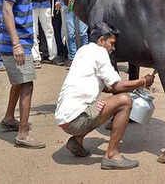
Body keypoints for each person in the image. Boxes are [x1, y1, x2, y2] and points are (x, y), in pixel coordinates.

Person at [55, 22, 155, 170]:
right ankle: (112, 154)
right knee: (124, 101)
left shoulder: (83, 50)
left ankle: (77, 141)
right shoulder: (100, 52)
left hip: (64, 118)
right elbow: (116, 86)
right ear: (101, 41)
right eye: (111, 43)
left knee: (101, 104)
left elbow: (107, 87)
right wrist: (142, 81)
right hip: (75, 120)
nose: (113, 48)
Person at [0, 0, 55, 148]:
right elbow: (7, 8)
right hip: (17, 40)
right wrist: (16, 44)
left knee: (19, 81)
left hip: (20, 38)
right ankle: (23, 133)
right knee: (27, 85)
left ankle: (8, 118)